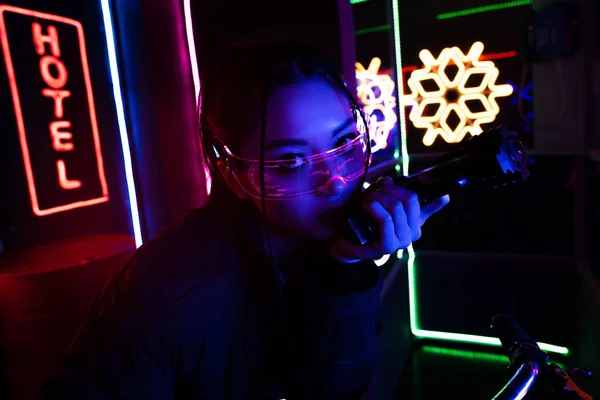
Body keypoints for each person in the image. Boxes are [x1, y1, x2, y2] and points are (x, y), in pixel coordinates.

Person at [40, 41, 449, 399]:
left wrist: (346, 269)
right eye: (291, 161)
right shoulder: (161, 295)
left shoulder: (325, 246)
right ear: (232, 175)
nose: (337, 180)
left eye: (343, 143)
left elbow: (334, 388)